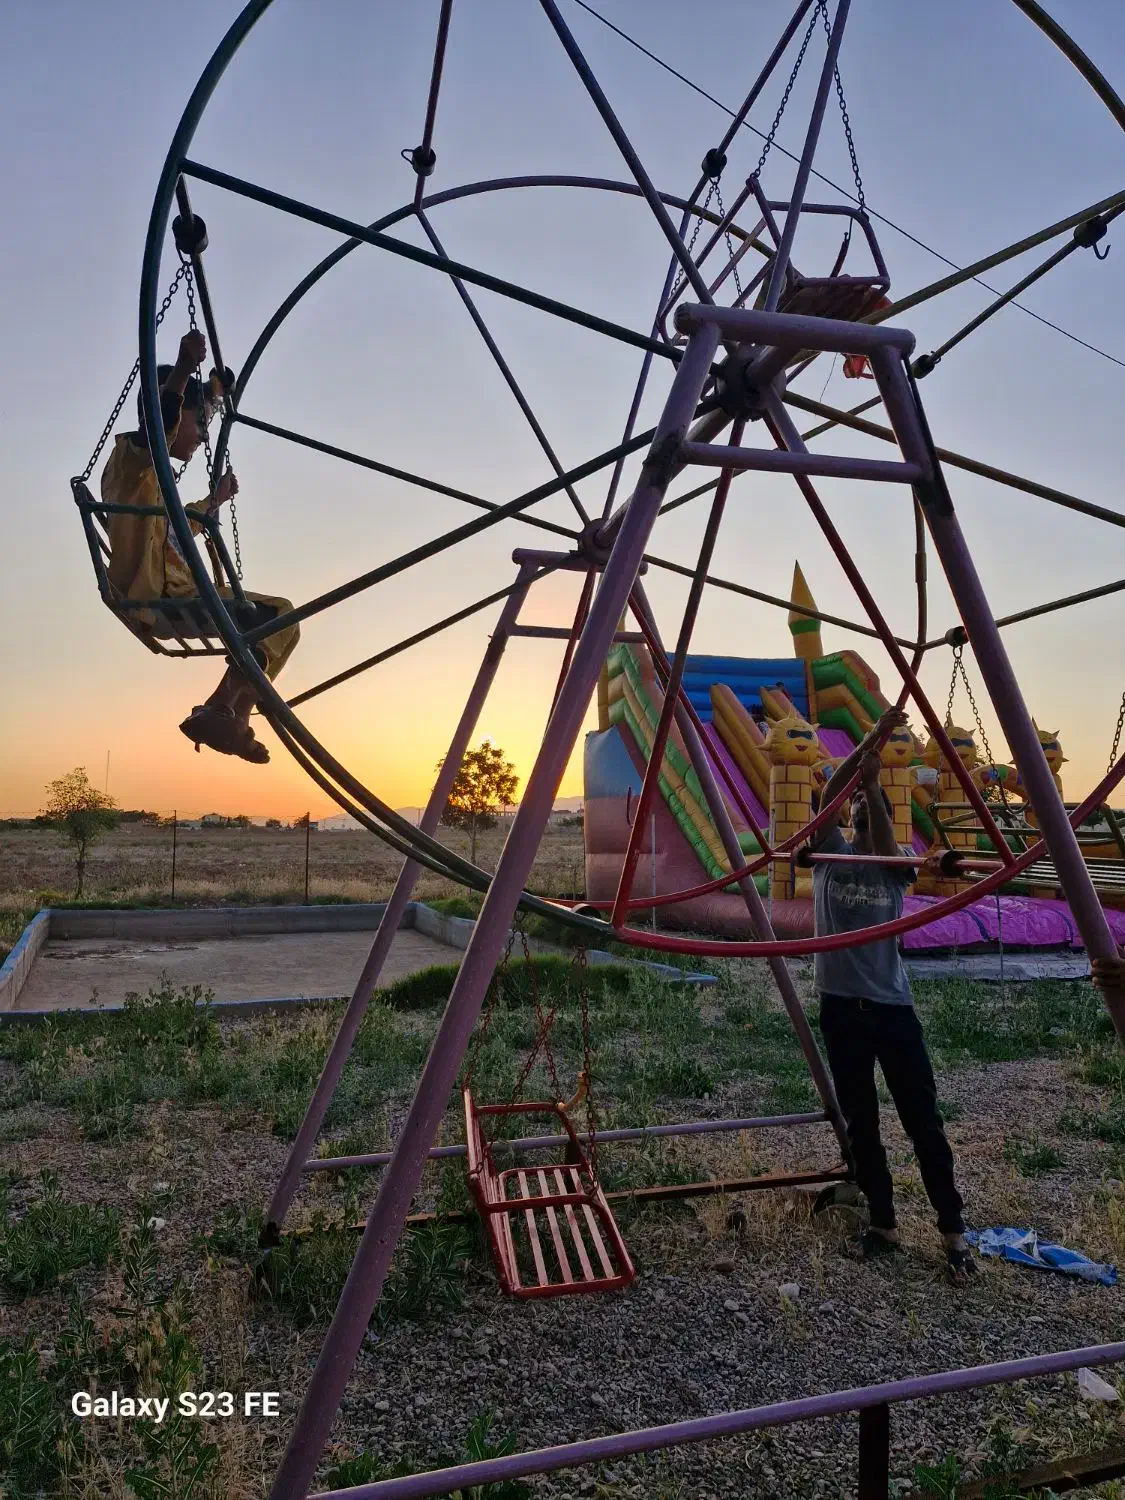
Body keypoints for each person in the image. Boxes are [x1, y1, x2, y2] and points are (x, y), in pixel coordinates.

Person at [810, 707, 975, 1282]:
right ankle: (883, 1223)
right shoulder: (828, 857)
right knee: (863, 1121)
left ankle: (953, 1233)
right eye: (852, 806)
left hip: (891, 1009)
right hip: (842, 1010)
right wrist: (868, 746)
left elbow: (883, 841)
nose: (855, 808)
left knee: (921, 1121)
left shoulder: (895, 863)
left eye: (867, 807)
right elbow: (830, 790)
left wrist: (875, 786)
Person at [102, 330, 300, 764]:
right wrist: (182, 371)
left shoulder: (154, 484)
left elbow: (175, 528)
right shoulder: (132, 464)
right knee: (271, 617)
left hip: (176, 593)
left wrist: (210, 394)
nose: (203, 437)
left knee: (282, 619)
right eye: (200, 424)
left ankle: (232, 715)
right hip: (157, 598)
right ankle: (223, 707)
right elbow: (160, 424)